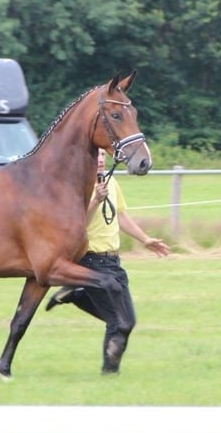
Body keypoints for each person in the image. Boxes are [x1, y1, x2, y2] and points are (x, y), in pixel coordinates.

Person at [46, 149, 170, 374]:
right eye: (96, 155)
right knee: (117, 322)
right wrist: (95, 200)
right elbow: (76, 224)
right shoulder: (78, 185)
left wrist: (145, 239)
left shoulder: (111, 182)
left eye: (103, 155)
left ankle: (76, 295)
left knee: (128, 321)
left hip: (113, 260)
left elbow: (121, 216)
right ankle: (109, 371)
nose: (101, 159)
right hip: (90, 260)